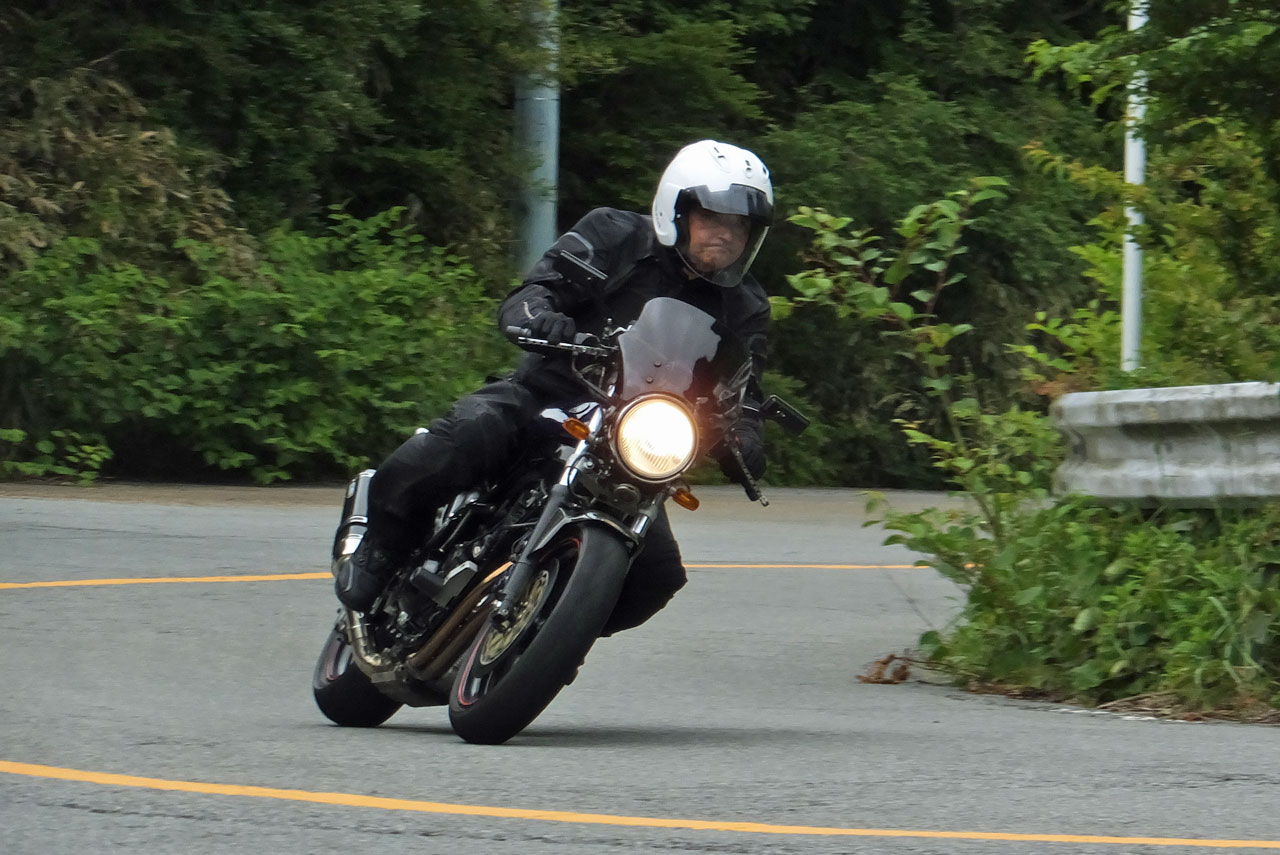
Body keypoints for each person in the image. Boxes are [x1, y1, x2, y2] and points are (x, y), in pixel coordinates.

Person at [335, 139, 775, 636]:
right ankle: (384, 543)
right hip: (550, 395)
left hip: (634, 438)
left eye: (741, 226)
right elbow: (537, 289)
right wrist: (541, 317)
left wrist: (744, 433)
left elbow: (744, 387)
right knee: (471, 431)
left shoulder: (746, 304)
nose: (726, 234)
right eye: (713, 217)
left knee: (657, 577)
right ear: (676, 209)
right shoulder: (615, 235)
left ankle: (542, 639)